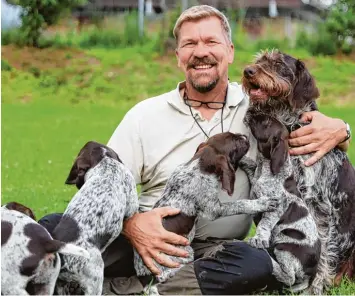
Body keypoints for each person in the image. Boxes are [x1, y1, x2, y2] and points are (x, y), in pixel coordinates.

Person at [39, 5, 350, 295]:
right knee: (54, 226)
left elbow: (307, 122)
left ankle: (142, 289)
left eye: (211, 41)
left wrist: (340, 129)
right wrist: (132, 226)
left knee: (255, 262)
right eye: (190, 44)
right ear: (178, 56)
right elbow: (102, 187)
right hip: (147, 238)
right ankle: (147, 282)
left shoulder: (259, 110)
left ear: (229, 52)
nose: (201, 52)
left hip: (214, 250)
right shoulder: (144, 115)